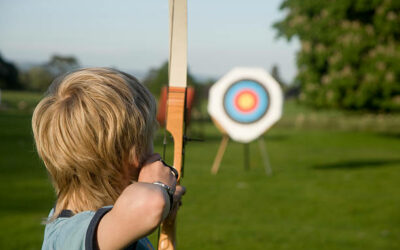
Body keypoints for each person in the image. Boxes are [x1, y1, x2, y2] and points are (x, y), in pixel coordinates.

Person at [32, 68, 185, 250]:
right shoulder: (71, 236)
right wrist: (161, 188)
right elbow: (152, 204)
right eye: (149, 139)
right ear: (133, 154)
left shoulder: (103, 222)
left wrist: (167, 198)